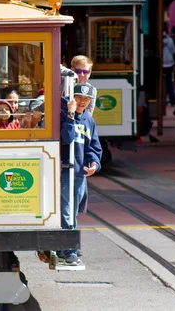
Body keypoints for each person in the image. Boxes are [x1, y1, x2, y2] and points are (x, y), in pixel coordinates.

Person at [58, 83, 102, 265]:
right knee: (67, 210)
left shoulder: (89, 121)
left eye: (86, 99)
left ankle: (65, 246)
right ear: (72, 98)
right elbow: (66, 138)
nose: (82, 102)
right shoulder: (63, 116)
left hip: (79, 172)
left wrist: (94, 163)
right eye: (79, 97)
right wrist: (70, 115)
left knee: (73, 210)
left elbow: (93, 147)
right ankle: (69, 250)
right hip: (65, 170)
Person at [163, 31, 175, 114]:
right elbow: (174, 50)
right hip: (169, 63)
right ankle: (172, 100)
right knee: (169, 82)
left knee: (161, 83)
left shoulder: (157, 40)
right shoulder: (170, 40)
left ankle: (163, 99)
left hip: (161, 64)